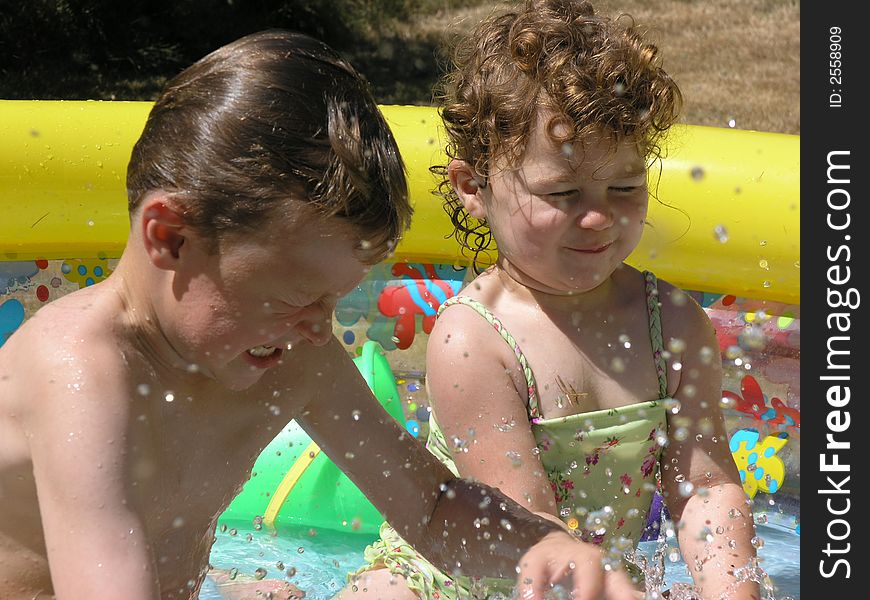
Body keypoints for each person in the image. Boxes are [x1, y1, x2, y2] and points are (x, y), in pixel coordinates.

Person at [0, 29, 642, 600]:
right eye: (291, 298)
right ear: (170, 237)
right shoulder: (79, 372)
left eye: (334, 302)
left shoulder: (285, 350)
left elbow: (431, 506)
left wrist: (546, 549)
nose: (316, 328)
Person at [345, 1, 761, 599]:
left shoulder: (669, 323)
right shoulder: (475, 340)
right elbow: (528, 534)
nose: (598, 217)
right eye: (562, 191)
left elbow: (707, 489)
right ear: (473, 187)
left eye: (625, 186)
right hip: (448, 581)